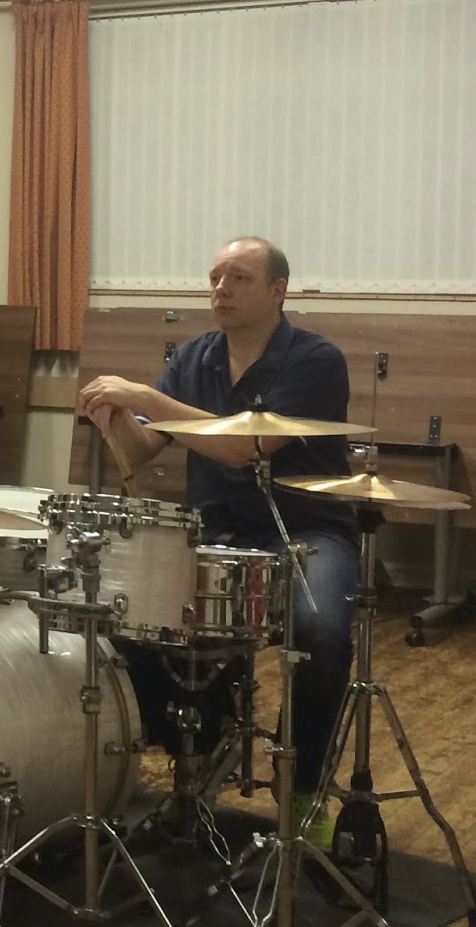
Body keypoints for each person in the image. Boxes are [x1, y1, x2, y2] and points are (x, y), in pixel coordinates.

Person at [77, 236, 356, 844]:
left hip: (304, 529)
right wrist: (116, 421)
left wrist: (143, 395)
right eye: (214, 278)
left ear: (278, 291)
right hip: (216, 531)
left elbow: (242, 448)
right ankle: (197, 762)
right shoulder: (193, 358)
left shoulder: (316, 359)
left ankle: (304, 784)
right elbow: (143, 451)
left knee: (320, 631)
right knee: (129, 618)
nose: (220, 289)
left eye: (238, 278)